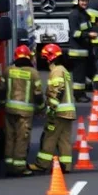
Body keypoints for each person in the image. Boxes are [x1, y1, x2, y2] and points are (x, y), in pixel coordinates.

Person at [33, 44, 76, 173]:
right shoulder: (64, 70)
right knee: (64, 140)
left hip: (59, 112)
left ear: (49, 58)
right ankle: (65, 165)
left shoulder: (57, 70)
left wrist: (51, 108)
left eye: (45, 58)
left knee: (49, 137)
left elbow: (57, 90)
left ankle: (42, 164)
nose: (44, 61)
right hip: (68, 113)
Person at [4, 45, 42, 176]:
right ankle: (19, 167)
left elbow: (2, 89)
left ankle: (9, 165)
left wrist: (3, 104)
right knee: (22, 138)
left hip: (9, 111)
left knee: (10, 138)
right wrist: (41, 108)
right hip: (25, 113)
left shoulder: (8, 70)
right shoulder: (33, 73)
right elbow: (38, 94)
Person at [68, 0, 96, 102]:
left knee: (86, 72)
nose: (84, 3)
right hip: (77, 51)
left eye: (86, 0)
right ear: (77, 1)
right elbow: (75, 33)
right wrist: (89, 35)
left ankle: (84, 92)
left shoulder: (84, 14)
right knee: (79, 76)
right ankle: (78, 95)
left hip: (85, 50)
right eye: (82, 0)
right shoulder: (74, 15)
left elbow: (87, 26)